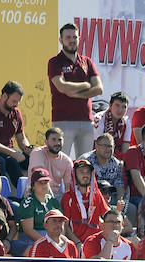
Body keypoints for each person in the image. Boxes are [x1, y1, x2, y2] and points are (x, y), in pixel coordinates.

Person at [46, 22, 102, 159]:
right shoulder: (55, 61)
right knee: (60, 162)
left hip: (86, 120)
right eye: (68, 37)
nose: (72, 40)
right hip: (63, 120)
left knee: (85, 165)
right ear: (61, 40)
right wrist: (86, 85)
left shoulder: (87, 62)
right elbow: (61, 86)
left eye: (74, 37)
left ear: (79, 38)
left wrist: (75, 93)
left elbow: (99, 88)